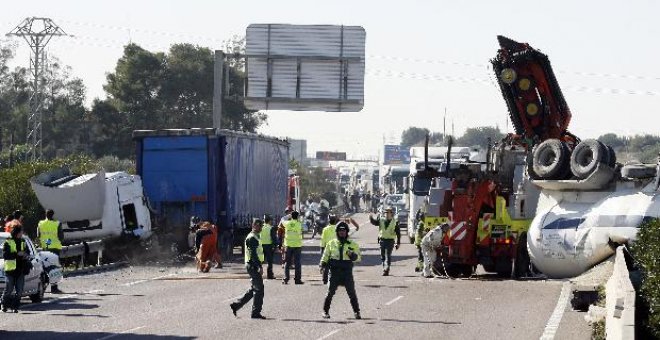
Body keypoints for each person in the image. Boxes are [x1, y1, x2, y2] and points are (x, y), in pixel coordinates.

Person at [320, 222, 362, 320]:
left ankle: (357, 312)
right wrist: (322, 264)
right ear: (337, 232)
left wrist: (353, 255)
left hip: (347, 272)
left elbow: (359, 258)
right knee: (330, 292)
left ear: (347, 232)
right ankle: (325, 311)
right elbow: (325, 255)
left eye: (344, 231)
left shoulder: (352, 244)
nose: (342, 233)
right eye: (340, 231)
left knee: (351, 293)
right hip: (334, 272)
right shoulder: (331, 243)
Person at [230, 219, 266, 319]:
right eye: (259, 226)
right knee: (259, 290)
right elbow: (253, 254)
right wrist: (259, 266)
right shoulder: (252, 238)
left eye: (261, 226)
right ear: (254, 226)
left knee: (254, 289)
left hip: (252, 265)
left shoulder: (255, 236)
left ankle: (236, 305)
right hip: (252, 265)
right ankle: (255, 313)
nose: (261, 228)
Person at [2, 226, 29, 313]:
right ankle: (4, 304)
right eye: (21, 232)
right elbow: (6, 256)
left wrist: (25, 255)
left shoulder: (23, 241)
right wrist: (17, 254)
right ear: (17, 233)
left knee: (20, 291)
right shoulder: (8, 242)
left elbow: (27, 252)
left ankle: (15, 307)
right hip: (10, 270)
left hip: (20, 270)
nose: (22, 233)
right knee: (9, 290)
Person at [37, 209, 64, 293]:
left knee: (45, 267)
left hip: (45, 248)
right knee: (54, 268)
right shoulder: (57, 224)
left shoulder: (40, 223)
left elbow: (38, 235)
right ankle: (54, 288)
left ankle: (43, 285)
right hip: (55, 249)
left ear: (45, 214)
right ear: (53, 215)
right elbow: (61, 237)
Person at [369, 207, 401, 276]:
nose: (387, 214)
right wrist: (371, 218)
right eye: (386, 213)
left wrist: (398, 243)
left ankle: (386, 269)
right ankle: (385, 268)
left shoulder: (395, 222)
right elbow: (375, 223)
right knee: (383, 256)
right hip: (382, 240)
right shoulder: (381, 220)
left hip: (390, 241)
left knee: (388, 255)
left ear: (391, 214)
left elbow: (398, 233)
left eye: (388, 213)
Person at [282, 211, 303, 285]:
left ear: (291, 216)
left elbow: (282, 219)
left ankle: (285, 279)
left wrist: (288, 216)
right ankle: (297, 280)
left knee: (287, 263)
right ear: (297, 217)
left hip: (288, 245)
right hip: (297, 245)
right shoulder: (299, 224)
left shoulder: (287, 223)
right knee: (297, 263)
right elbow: (301, 220)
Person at [261, 215, 277, 279]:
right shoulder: (271, 228)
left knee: (260, 261)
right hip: (269, 246)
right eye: (271, 220)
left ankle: (257, 274)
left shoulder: (260, 227)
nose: (272, 221)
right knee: (269, 262)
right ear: (269, 221)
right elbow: (273, 238)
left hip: (261, 246)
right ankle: (270, 275)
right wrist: (274, 246)